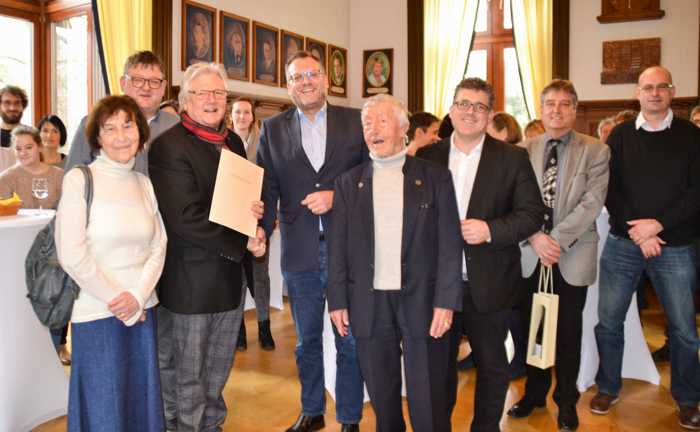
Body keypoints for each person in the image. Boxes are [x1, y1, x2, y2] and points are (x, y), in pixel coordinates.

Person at [328, 94, 463, 432]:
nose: (373, 129)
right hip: (369, 302)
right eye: (367, 123)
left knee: (427, 393)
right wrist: (338, 300)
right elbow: (338, 247)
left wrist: (446, 302)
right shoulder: (348, 183)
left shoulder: (435, 178)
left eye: (382, 121)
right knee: (383, 396)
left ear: (403, 128)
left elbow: (450, 244)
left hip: (421, 299)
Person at [416, 77, 545, 432]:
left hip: (489, 282)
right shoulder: (427, 157)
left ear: (490, 114)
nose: (470, 112)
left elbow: (533, 214)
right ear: (451, 109)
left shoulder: (513, 158)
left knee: (492, 367)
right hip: (436, 286)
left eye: (479, 106)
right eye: (463, 103)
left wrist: (490, 230)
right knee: (438, 369)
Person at [149, 62, 266, 432]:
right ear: (185, 100)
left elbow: (234, 200)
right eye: (203, 93)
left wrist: (253, 216)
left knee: (217, 372)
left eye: (219, 93)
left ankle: (211, 426)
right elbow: (185, 217)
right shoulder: (167, 147)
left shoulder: (231, 141)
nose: (212, 100)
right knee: (186, 376)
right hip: (189, 285)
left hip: (228, 279)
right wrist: (243, 240)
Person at [257, 50, 366, 432]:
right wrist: (260, 227)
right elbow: (266, 186)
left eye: (312, 74)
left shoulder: (356, 122)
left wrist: (340, 197)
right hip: (299, 250)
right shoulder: (272, 129)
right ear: (288, 86)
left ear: (326, 79)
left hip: (348, 251)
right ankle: (313, 410)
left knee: (348, 340)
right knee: (306, 342)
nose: (305, 81)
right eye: (296, 76)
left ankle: (350, 417)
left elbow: (376, 176)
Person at [592, 66, 700, 429]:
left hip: (675, 244)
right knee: (608, 321)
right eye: (647, 88)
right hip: (624, 243)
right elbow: (610, 189)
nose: (654, 93)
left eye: (661, 87)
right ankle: (608, 386)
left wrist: (658, 225)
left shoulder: (691, 136)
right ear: (637, 93)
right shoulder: (620, 136)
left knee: (684, 329)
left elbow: (696, 193)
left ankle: (687, 398)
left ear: (672, 91)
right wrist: (639, 231)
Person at [55, 95, 167, 431]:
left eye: (128, 125)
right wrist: (120, 299)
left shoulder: (143, 183)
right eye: (110, 128)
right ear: (97, 138)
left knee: (140, 404)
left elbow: (158, 245)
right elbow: (71, 253)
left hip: (143, 310)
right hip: (97, 312)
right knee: (105, 406)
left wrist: (138, 295)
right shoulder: (80, 179)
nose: (121, 135)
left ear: (140, 131)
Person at [507, 79, 610, 431]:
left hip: (570, 255)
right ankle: (534, 394)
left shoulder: (595, 150)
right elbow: (514, 201)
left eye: (565, 104)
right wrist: (536, 237)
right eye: (550, 103)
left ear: (575, 110)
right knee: (534, 328)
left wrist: (556, 241)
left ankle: (566, 402)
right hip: (530, 253)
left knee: (566, 332)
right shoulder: (523, 149)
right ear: (541, 108)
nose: (557, 110)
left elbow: (591, 203)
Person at [65, 50, 178, 175]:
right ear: (123, 83)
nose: (146, 88)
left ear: (163, 88)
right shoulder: (94, 123)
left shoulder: (176, 126)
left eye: (154, 81)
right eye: (138, 80)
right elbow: (73, 175)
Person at [230, 96, 276, 351]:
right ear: (231, 116)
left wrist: (269, 216)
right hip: (232, 219)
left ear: (252, 117)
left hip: (257, 218)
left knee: (260, 277)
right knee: (237, 277)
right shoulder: (224, 142)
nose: (242, 117)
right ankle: (239, 331)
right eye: (238, 112)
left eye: (246, 112)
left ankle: (264, 327)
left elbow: (271, 182)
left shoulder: (263, 142)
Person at [0, 126, 63, 210]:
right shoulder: (5, 179)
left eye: (29, 147)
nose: (23, 153)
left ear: (40, 147)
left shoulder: (60, 175)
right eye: (18, 149)